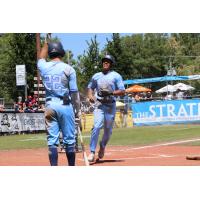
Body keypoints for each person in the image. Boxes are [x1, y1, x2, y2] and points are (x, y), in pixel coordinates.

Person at [37, 40, 81, 166]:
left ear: (50, 53)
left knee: (52, 141)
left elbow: (41, 57)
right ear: (61, 52)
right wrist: (77, 111)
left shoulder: (43, 67)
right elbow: (74, 93)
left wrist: (46, 44)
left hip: (50, 106)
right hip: (65, 105)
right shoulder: (69, 69)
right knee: (69, 140)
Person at [87, 55, 125, 162]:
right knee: (96, 126)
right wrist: (90, 96)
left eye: (108, 62)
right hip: (99, 105)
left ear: (111, 64)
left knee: (108, 131)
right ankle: (92, 152)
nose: (105, 63)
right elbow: (90, 87)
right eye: (104, 61)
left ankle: (102, 145)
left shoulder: (116, 76)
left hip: (110, 105)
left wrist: (111, 92)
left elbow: (122, 91)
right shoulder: (96, 76)